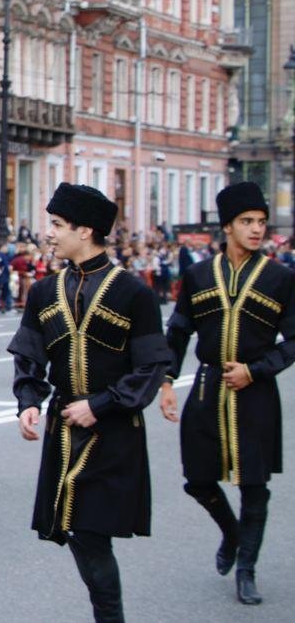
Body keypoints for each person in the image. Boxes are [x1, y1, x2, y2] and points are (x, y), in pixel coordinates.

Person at [9, 183, 171, 623]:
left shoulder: (133, 293)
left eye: (58, 226)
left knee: (91, 532)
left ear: (85, 231)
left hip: (113, 431)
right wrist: (28, 400)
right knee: (77, 533)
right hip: (64, 432)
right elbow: (29, 356)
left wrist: (99, 405)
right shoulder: (44, 292)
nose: (51, 234)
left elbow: (151, 368)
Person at [158, 182, 295, 605]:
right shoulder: (198, 275)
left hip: (255, 393)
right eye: (246, 222)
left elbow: (292, 340)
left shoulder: (280, 278)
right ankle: (232, 534)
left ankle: (247, 571)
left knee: (255, 486)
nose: (256, 230)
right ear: (228, 226)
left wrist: (256, 370)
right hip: (207, 387)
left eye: (260, 222)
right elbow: (178, 331)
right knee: (197, 480)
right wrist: (166, 381)